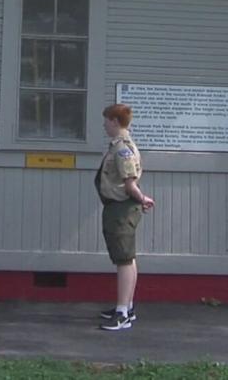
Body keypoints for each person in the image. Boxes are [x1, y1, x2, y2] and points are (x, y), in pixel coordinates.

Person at [95, 104, 155, 331]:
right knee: (127, 257)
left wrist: (142, 198)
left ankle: (122, 314)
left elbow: (129, 183)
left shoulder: (122, 149)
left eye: (106, 120)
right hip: (118, 207)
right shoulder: (118, 146)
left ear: (115, 121)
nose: (104, 125)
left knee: (124, 260)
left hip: (121, 208)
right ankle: (126, 306)